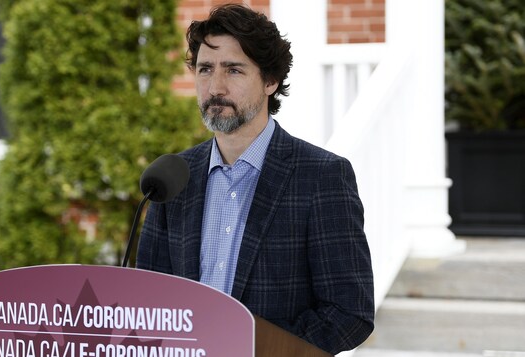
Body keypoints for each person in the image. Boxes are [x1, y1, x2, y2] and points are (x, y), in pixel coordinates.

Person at [136, 4, 374, 354]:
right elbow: (148, 300)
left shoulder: (322, 176)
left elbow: (349, 313)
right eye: (205, 69)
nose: (215, 86)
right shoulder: (173, 177)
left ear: (270, 80)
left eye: (233, 70)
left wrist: (253, 348)